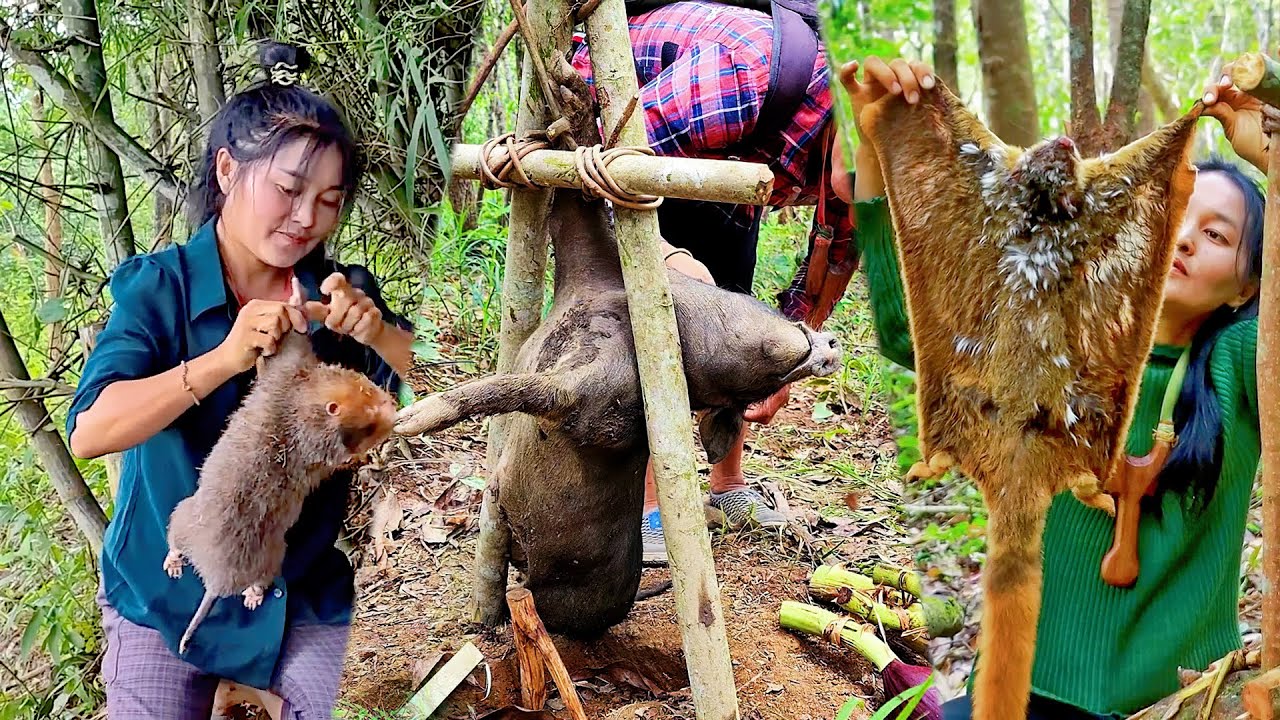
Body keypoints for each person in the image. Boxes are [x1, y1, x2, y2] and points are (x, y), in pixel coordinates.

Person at [838, 56, 1267, 718]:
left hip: (1177, 697)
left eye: (1216, 234)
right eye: (1177, 212)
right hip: (1028, 685)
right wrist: (876, 147)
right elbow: (910, 333)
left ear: (1248, 286)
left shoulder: (1246, 366)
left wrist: (1272, 155)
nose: (1184, 239)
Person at [65, 42, 414, 719]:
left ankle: (253, 682)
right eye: (288, 190)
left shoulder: (341, 295)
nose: (306, 218)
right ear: (227, 170)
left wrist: (377, 333)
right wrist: (223, 358)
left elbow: (421, 391)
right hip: (164, 597)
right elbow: (89, 431)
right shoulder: (158, 290)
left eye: (329, 201)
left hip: (295, 588)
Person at [570, 0, 858, 561]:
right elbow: (601, 162)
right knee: (667, 314)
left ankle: (726, 485)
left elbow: (836, 256)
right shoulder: (742, 74)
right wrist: (669, 261)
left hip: (730, 161)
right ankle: (649, 506)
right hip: (629, 131)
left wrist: (788, 356)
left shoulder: (869, 167)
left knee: (729, 285)